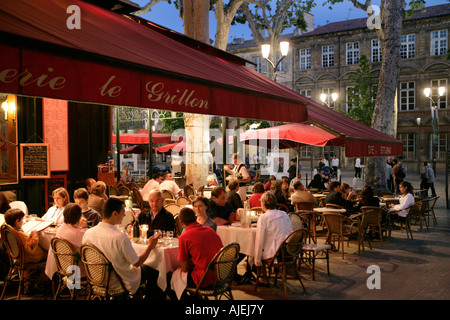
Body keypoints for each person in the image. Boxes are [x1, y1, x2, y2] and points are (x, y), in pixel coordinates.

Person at [82, 197, 162, 299]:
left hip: (96, 279)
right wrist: (150, 247)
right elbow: (136, 263)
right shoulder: (119, 237)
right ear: (114, 213)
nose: (124, 215)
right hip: (118, 282)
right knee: (154, 270)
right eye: (123, 212)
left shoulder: (88, 233)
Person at [169, 207, 223, 300]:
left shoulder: (184, 237)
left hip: (204, 280)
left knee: (169, 276)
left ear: (181, 223)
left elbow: (184, 268)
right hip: (221, 275)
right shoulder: (210, 230)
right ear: (195, 217)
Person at [4, 208, 48, 293]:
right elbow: (30, 248)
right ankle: (42, 282)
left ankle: (27, 283)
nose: (23, 221)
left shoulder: (8, 230)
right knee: (49, 254)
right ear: (17, 221)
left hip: (17, 258)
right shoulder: (20, 234)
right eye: (22, 220)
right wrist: (34, 236)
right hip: (27, 257)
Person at [254, 192, 292, 284]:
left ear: (263, 204)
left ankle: (264, 278)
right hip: (289, 251)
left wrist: (256, 260)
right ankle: (276, 272)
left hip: (276, 255)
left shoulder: (264, 218)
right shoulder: (284, 214)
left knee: (256, 252)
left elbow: (259, 241)